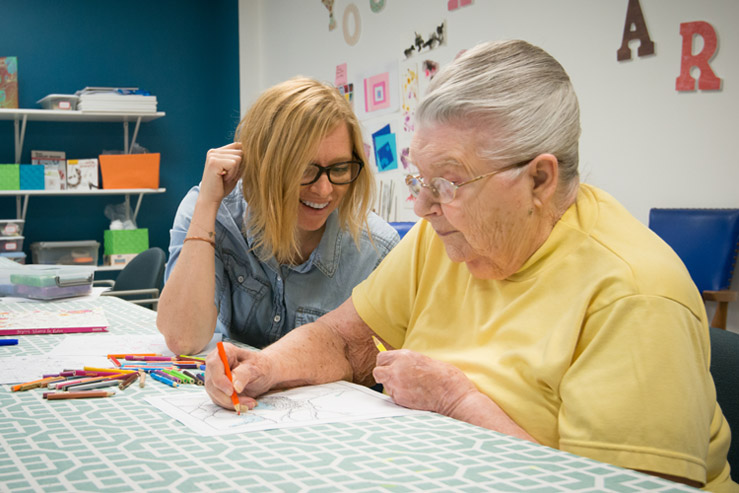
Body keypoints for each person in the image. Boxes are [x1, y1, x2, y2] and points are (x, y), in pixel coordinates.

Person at [204, 41, 737, 491]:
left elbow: (611, 487)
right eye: (420, 179)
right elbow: (346, 340)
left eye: (449, 183)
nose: (421, 207)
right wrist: (267, 367)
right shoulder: (448, 238)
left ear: (539, 180)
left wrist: (456, 400)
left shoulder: (633, 296)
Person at [157, 77, 399, 355]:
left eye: (340, 168)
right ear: (263, 166)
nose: (324, 189)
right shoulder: (214, 213)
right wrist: (207, 205)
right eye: (305, 170)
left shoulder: (376, 249)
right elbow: (183, 340)